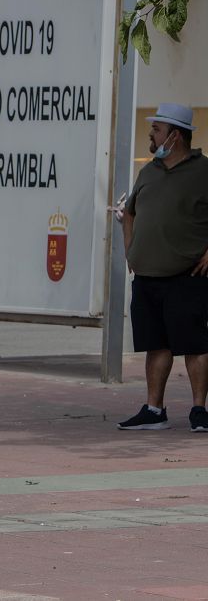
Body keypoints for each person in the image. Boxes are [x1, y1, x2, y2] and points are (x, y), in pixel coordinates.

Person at [119, 103, 208, 433]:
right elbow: (129, 213)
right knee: (155, 344)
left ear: (175, 136)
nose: (150, 135)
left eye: (156, 130)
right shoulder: (148, 172)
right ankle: (154, 410)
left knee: (195, 346)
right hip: (146, 276)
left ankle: (199, 411)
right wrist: (131, 250)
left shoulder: (203, 171)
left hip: (187, 277)